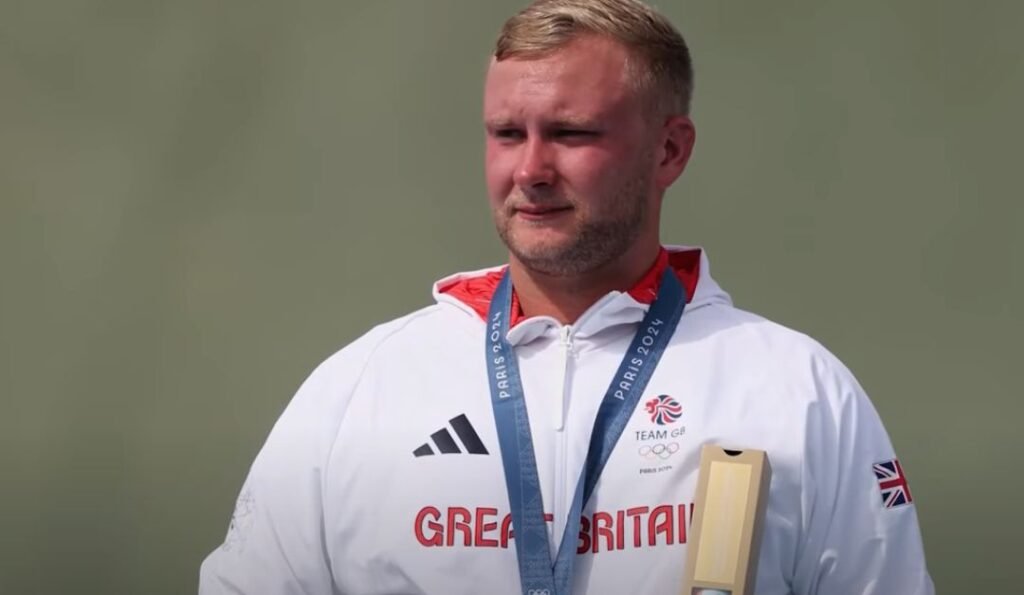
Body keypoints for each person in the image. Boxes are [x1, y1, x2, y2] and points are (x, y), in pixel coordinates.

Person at [199, 0, 934, 593]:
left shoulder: (796, 390)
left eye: (572, 133)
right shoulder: (361, 390)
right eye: (506, 133)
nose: (531, 169)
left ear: (670, 150)